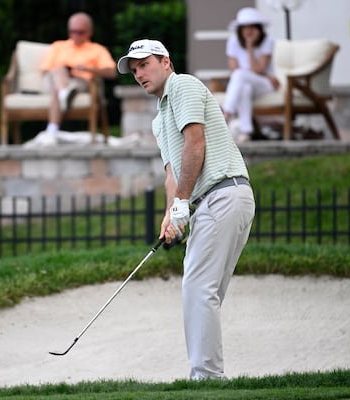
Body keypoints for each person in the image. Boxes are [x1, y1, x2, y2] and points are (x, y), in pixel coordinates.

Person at [117, 39, 255, 380]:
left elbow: (196, 144)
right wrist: (170, 214)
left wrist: (182, 203)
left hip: (224, 193)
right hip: (213, 201)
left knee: (197, 288)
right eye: (134, 70)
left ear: (166, 61)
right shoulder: (159, 119)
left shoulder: (184, 85)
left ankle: (206, 376)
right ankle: (208, 375)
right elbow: (172, 176)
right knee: (203, 292)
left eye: (144, 64)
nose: (139, 74)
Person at [37, 12, 116, 143]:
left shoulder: (97, 49)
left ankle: (51, 131)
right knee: (58, 70)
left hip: (82, 83)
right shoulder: (58, 46)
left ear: (89, 32)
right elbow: (46, 69)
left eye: (80, 32)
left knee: (59, 87)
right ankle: (65, 94)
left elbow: (112, 72)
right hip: (56, 79)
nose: (76, 35)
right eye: (73, 31)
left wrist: (86, 69)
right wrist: (66, 70)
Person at [222, 7, 279, 144]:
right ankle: (246, 131)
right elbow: (233, 68)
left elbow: (258, 69)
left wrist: (250, 47)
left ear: (259, 29)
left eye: (252, 27)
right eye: (245, 27)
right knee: (244, 87)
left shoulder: (268, 41)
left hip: (265, 84)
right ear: (240, 29)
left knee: (240, 75)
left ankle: (225, 115)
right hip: (244, 82)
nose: (248, 31)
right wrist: (248, 71)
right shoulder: (233, 41)